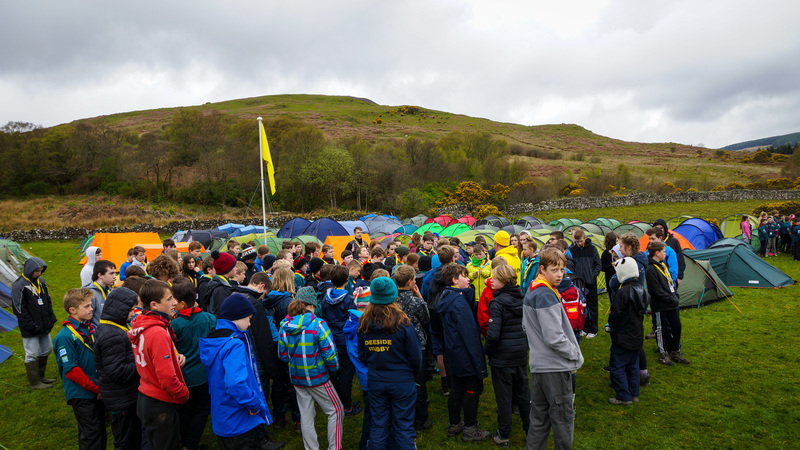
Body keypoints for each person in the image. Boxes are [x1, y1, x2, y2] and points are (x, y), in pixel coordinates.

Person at [199, 294, 284, 450]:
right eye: (249, 318)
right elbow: (235, 383)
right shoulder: (234, 344)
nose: (250, 324)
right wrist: (254, 404)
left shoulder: (215, 339)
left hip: (223, 417)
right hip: (240, 420)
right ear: (238, 316)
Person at [524, 247, 584, 450]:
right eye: (554, 270)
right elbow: (554, 337)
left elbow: (525, 327)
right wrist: (576, 355)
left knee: (538, 421)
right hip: (555, 369)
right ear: (542, 269)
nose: (559, 275)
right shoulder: (546, 295)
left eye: (562, 270)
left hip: (538, 367)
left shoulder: (533, 291)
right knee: (563, 423)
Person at [358, 276, 422, 449]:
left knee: (379, 424)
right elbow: (416, 357)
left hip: (377, 380)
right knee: (403, 426)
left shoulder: (364, 324)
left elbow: (362, 355)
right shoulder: (403, 323)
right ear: (394, 297)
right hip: (401, 382)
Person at [129, 279, 190, 450]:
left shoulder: (143, 324)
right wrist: (183, 393)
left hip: (146, 395)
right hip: (160, 401)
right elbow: (167, 377)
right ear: (154, 305)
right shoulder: (158, 332)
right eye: (169, 299)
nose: (175, 303)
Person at [278, 297, 342, 450]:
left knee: (306, 414)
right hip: (318, 377)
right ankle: (335, 447)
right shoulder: (318, 324)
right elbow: (330, 354)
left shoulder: (284, 327)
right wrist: (334, 370)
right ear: (310, 306)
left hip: (297, 377)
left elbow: (283, 355)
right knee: (336, 410)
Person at [438, 264, 492, 442]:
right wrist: (479, 362)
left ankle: (455, 423)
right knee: (471, 389)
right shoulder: (459, 303)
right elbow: (469, 334)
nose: (468, 279)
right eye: (464, 276)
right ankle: (470, 428)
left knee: (457, 387)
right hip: (464, 353)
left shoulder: (449, 296)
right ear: (455, 280)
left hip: (454, 351)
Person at [53, 288, 107, 449]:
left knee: (99, 431)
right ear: (72, 310)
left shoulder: (90, 328)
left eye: (91, 305)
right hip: (82, 394)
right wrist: (96, 388)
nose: (92, 308)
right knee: (92, 436)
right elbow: (71, 371)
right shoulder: (64, 337)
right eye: (87, 306)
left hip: (96, 388)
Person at [484, 265, 531, 447]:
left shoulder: (497, 303)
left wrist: (486, 351)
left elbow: (493, 335)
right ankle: (531, 432)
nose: (491, 280)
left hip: (502, 357)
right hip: (519, 353)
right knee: (523, 394)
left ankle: (504, 434)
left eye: (494, 278)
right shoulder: (522, 298)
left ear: (503, 281)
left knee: (504, 397)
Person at [171, 278, 217, 450]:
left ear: (182, 303)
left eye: (174, 301)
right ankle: (191, 444)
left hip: (184, 375)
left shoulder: (174, 325)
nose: (172, 304)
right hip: (204, 374)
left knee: (186, 410)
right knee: (201, 410)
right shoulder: (209, 318)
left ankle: (185, 442)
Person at [95, 287, 141, 450]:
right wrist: (142, 363)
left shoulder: (114, 327)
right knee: (126, 440)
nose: (133, 313)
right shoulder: (112, 335)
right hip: (122, 398)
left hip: (123, 396)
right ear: (120, 309)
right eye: (130, 309)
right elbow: (117, 372)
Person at [393, 265, 432, 431]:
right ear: (410, 282)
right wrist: (420, 297)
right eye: (415, 280)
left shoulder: (392, 301)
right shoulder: (415, 301)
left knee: (401, 379)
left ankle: (402, 415)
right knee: (419, 381)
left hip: (397, 345)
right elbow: (426, 319)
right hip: (417, 344)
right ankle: (421, 419)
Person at [320, 264, 360, 416]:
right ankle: (347, 407)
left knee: (335, 372)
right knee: (346, 375)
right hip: (345, 339)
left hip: (330, 339)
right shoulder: (349, 300)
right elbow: (353, 321)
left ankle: (338, 403)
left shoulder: (325, 298)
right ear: (347, 279)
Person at [11, 256, 57, 390]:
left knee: (47, 349)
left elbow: (47, 300)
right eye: (37, 271)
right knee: (31, 353)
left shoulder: (41, 282)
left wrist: (51, 317)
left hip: (44, 324)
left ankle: (41, 376)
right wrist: (30, 325)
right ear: (29, 269)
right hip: (30, 327)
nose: (39, 273)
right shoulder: (19, 285)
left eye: (41, 271)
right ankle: (35, 382)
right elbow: (19, 309)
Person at [608, 257, 647, 405]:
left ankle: (623, 396)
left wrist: (611, 326)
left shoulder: (623, 292)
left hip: (623, 335)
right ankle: (634, 393)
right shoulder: (642, 290)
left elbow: (615, 314)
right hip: (637, 334)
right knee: (633, 366)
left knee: (617, 365)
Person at [646, 241, 690, 366]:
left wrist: (675, 296)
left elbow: (671, 283)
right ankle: (663, 353)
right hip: (660, 305)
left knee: (676, 326)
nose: (665, 254)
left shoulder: (663, 265)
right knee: (661, 330)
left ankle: (675, 351)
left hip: (672, 303)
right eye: (664, 251)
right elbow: (656, 290)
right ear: (657, 253)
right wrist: (671, 299)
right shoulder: (651, 269)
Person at [567, 229, 601, 339]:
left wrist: (592, 275)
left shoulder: (592, 249)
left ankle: (594, 329)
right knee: (582, 306)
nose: (579, 243)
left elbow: (598, 264)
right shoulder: (572, 250)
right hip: (578, 283)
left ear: (585, 238)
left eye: (581, 241)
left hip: (591, 282)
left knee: (593, 305)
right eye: (577, 241)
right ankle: (585, 328)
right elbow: (570, 265)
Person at [206, 251, 238, 316]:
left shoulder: (218, 284)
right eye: (234, 267)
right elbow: (223, 314)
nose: (236, 269)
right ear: (227, 269)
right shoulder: (222, 290)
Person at [87, 260, 116, 327]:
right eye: (111, 273)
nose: (114, 276)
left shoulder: (110, 291)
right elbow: (86, 319)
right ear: (100, 275)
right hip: (97, 331)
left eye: (114, 273)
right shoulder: (90, 294)